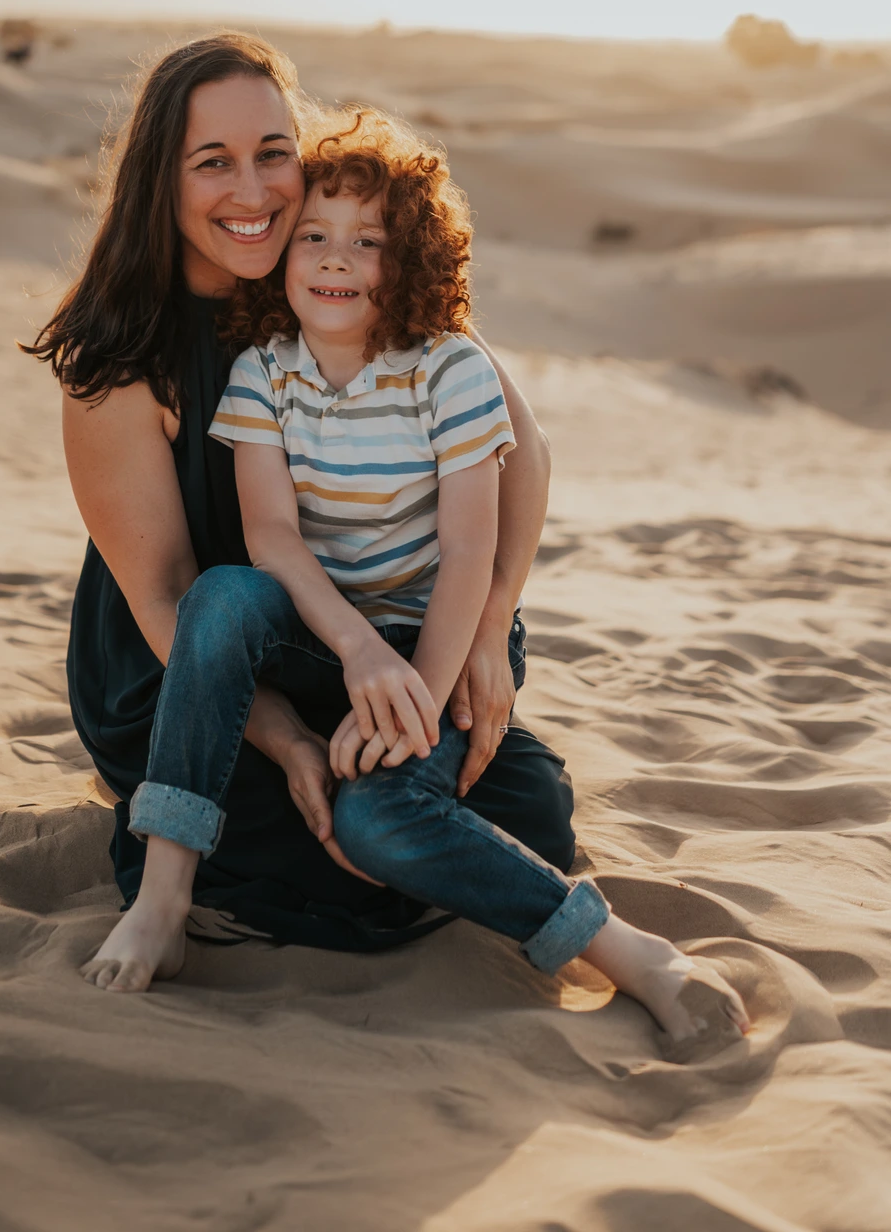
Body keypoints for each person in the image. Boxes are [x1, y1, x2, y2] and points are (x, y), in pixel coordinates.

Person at [78, 103, 751, 1058]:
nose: (335, 259)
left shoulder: (448, 368)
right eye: (314, 236)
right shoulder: (262, 373)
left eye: (368, 242)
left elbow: (472, 555)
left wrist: (423, 696)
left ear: (414, 261)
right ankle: (162, 895)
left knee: (383, 826)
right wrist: (354, 653)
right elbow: (268, 539)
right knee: (219, 598)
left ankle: (621, 948)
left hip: (436, 624)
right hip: (322, 630)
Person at [28, 34, 578, 967]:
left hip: (344, 638)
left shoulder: (332, 266)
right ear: (162, 179)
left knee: (530, 813)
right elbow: (165, 595)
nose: (253, 193)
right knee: (316, 858)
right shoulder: (117, 357)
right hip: (191, 669)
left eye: (271, 154)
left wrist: (488, 629)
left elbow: (521, 456)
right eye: (213, 163)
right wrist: (284, 741)